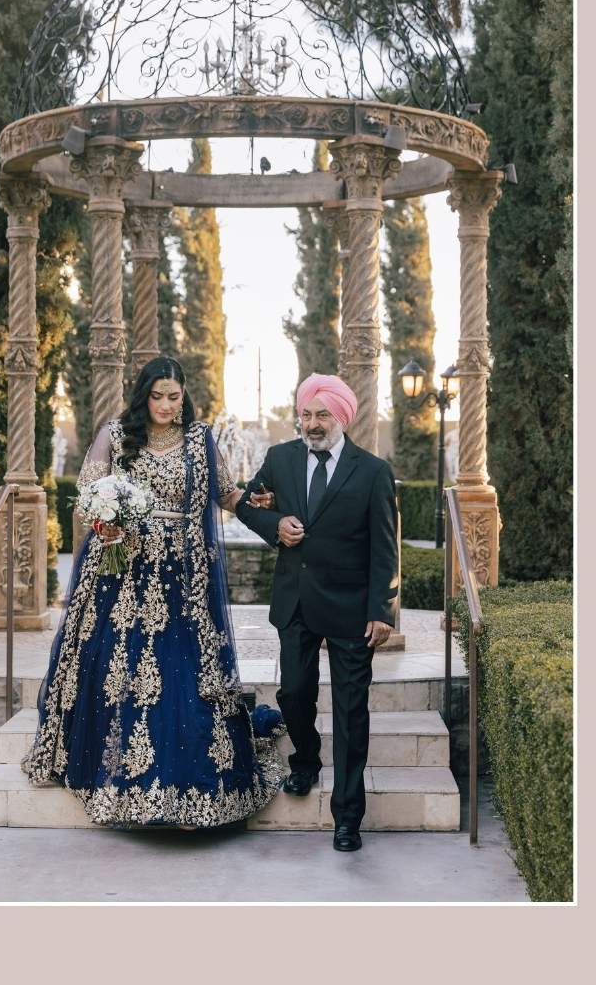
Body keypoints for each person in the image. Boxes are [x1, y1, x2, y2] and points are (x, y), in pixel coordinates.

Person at [21, 356, 282, 827]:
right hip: (124, 571)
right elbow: (87, 497)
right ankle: (117, 778)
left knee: (187, 673)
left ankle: (193, 784)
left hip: (185, 575)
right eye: (156, 396)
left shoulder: (201, 440)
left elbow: (226, 494)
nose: (164, 405)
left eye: (173, 396)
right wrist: (108, 524)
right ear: (144, 395)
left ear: (184, 395)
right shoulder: (116, 436)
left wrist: (257, 499)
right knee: (118, 668)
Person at [234, 374, 398, 852]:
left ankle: (348, 816)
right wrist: (274, 523)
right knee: (294, 693)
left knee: (351, 713)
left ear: (342, 417)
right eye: (306, 413)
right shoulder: (280, 459)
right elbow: (247, 503)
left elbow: (385, 550)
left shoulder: (371, 471)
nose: (312, 423)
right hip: (296, 601)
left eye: (322, 414)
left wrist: (382, 610)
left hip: (351, 611)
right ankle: (305, 760)